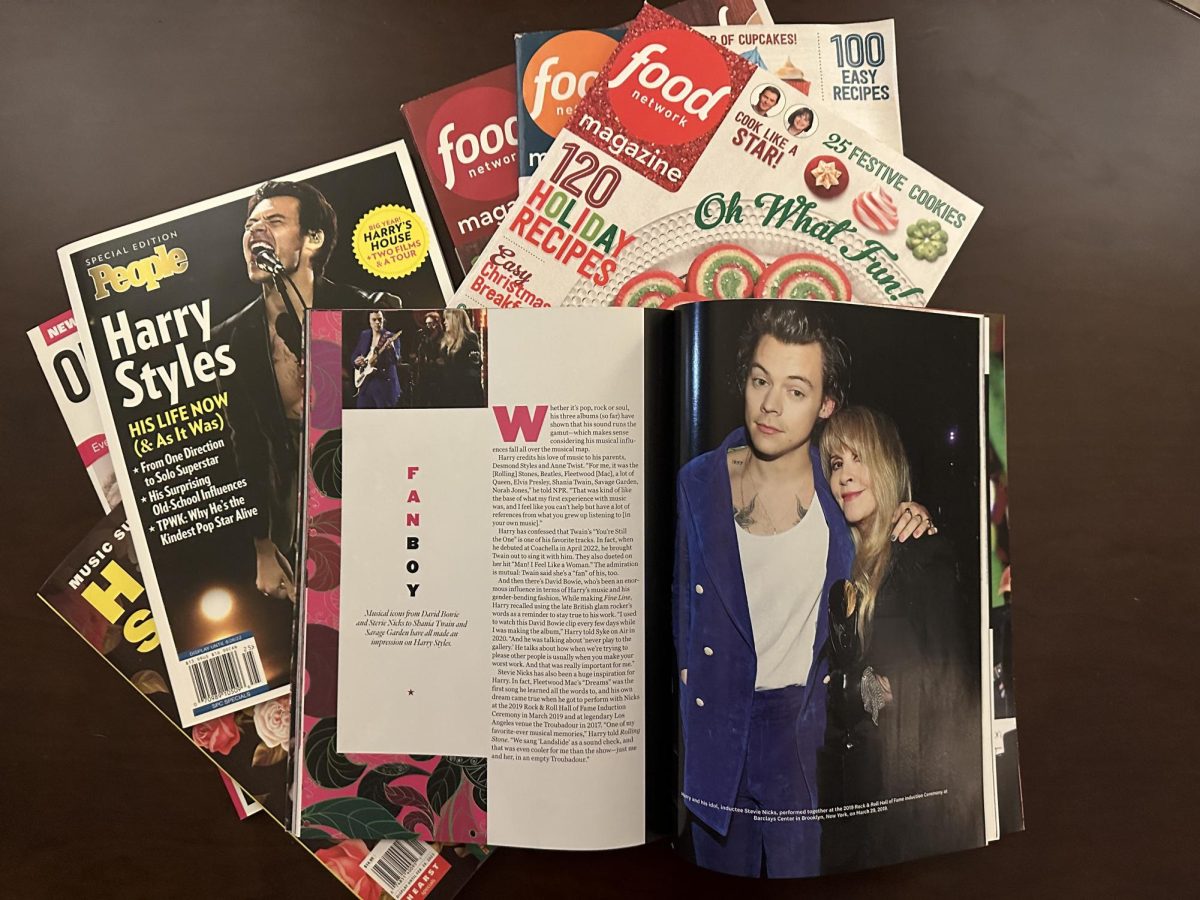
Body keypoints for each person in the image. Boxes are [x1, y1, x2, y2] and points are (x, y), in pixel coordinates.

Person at [672, 307, 931, 877]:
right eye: (760, 380)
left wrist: (912, 513)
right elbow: (680, 602)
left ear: (825, 405)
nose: (770, 405)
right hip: (719, 724)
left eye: (796, 390)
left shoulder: (840, 488)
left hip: (804, 730)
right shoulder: (698, 482)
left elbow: (881, 529)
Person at [216, 180, 401, 602]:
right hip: (292, 515)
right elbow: (245, 441)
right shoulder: (230, 338)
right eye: (250, 225)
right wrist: (263, 545)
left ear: (313, 238)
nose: (256, 232)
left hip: (371, 495)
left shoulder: (371, 309)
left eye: (274, 221)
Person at [818, 406, 982, 872]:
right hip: (844, 808)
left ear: (887, 464)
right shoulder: (838, 563)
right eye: (836, 464)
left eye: (858, 458)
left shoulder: (921, 554)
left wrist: (881, 690)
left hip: (906, 814)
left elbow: (953, 689)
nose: (846, 475)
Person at [417, 308, 484, 408]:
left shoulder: (470, 339)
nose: (444, 322)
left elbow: (473, 369)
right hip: (446, 391)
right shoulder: (446, 340)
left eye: (447, 319)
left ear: (455, 320)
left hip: (464, 393)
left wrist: (447, 364)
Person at [352, 310, 403, 409]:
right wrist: (356, 361)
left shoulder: (391, 337)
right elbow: (355, 354)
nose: (377, 322)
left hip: (384, 386)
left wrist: (391, 348)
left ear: (384, 319)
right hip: (365, 385)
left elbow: (396, 360)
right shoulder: (364, 335)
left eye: (379, 319)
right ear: (369, 321)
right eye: (374, 319)